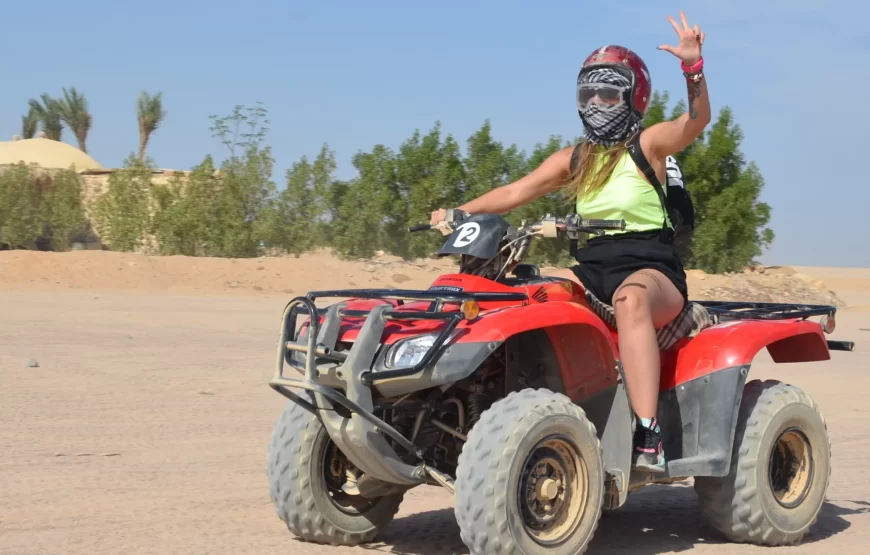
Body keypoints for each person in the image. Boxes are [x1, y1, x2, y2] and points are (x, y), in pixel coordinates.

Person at [429, 10, 710, 472]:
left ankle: (647, 434)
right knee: (529, 293)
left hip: (652, 271)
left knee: (631, 300)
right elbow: (515, 192)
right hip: (591, 272)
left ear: (631, 96)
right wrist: (460, 212)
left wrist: (693, 70)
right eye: (589, 93)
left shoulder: (650, 146)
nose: (597, 101)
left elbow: (696, 121)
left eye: (608, 92)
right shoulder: (575, 158)